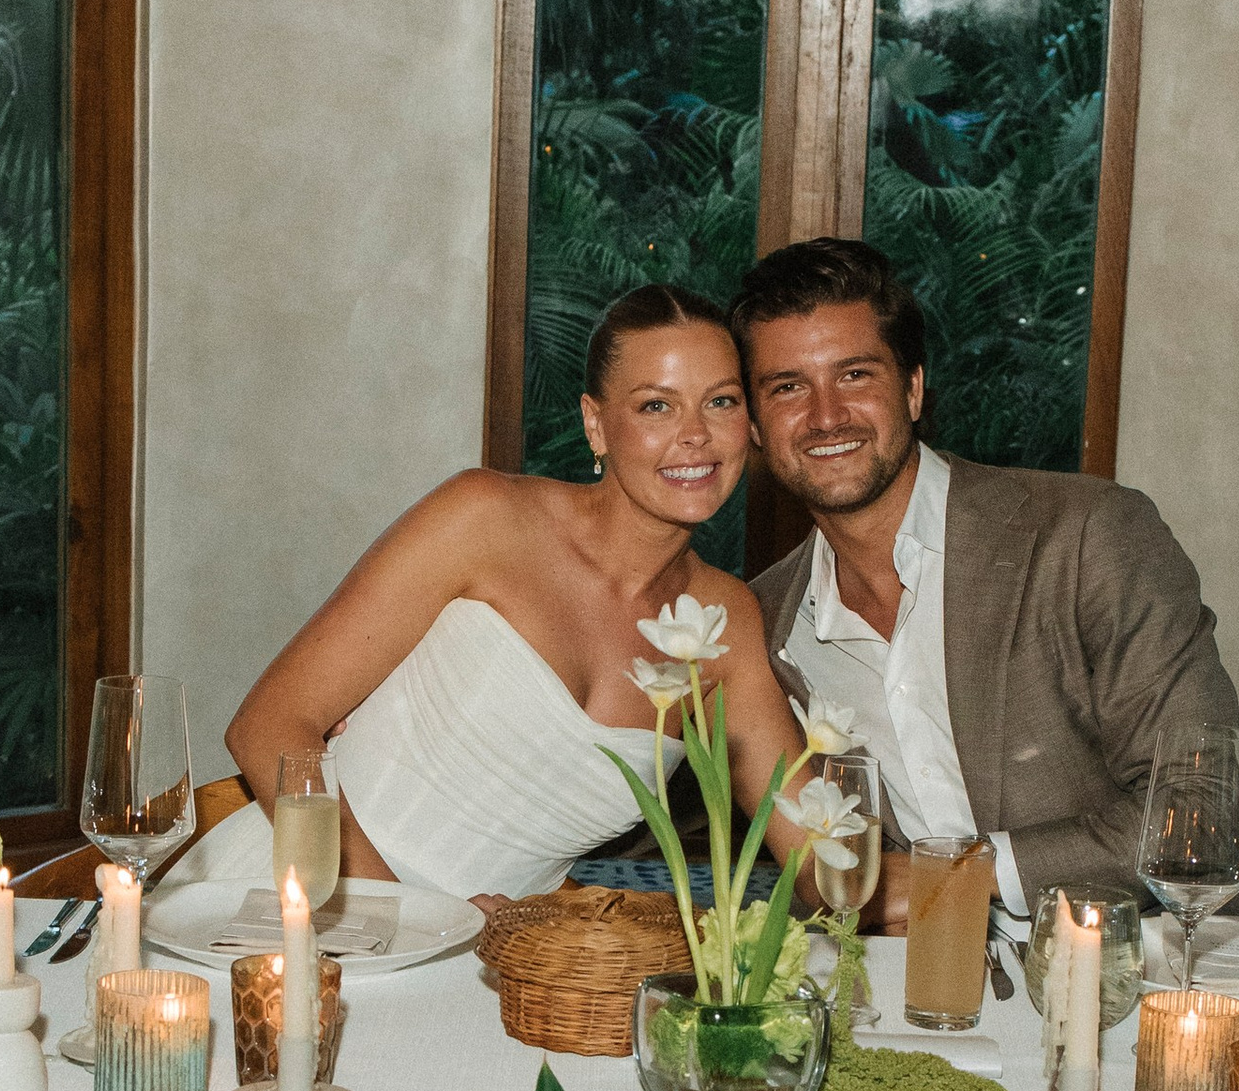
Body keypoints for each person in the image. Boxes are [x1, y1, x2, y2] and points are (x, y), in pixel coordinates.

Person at [733, 235, 1239, 917]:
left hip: (1149, 979)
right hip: (920, 997)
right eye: (788, 388)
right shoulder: (769, 624)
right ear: (753, 425)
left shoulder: (1086, 538)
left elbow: (1211, 814)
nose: (826, 415)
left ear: (915, 388)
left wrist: (954, 876)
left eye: (856, 375)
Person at [223, 285, 810, 901]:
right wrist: (406, 923)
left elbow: (814, 853)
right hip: (295, 900)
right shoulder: (485, 518)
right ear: (596, 424)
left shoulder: (725, 622)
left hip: (490, 972)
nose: (695, 435)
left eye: (720, 401)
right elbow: (268, 727)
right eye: (655, 407)